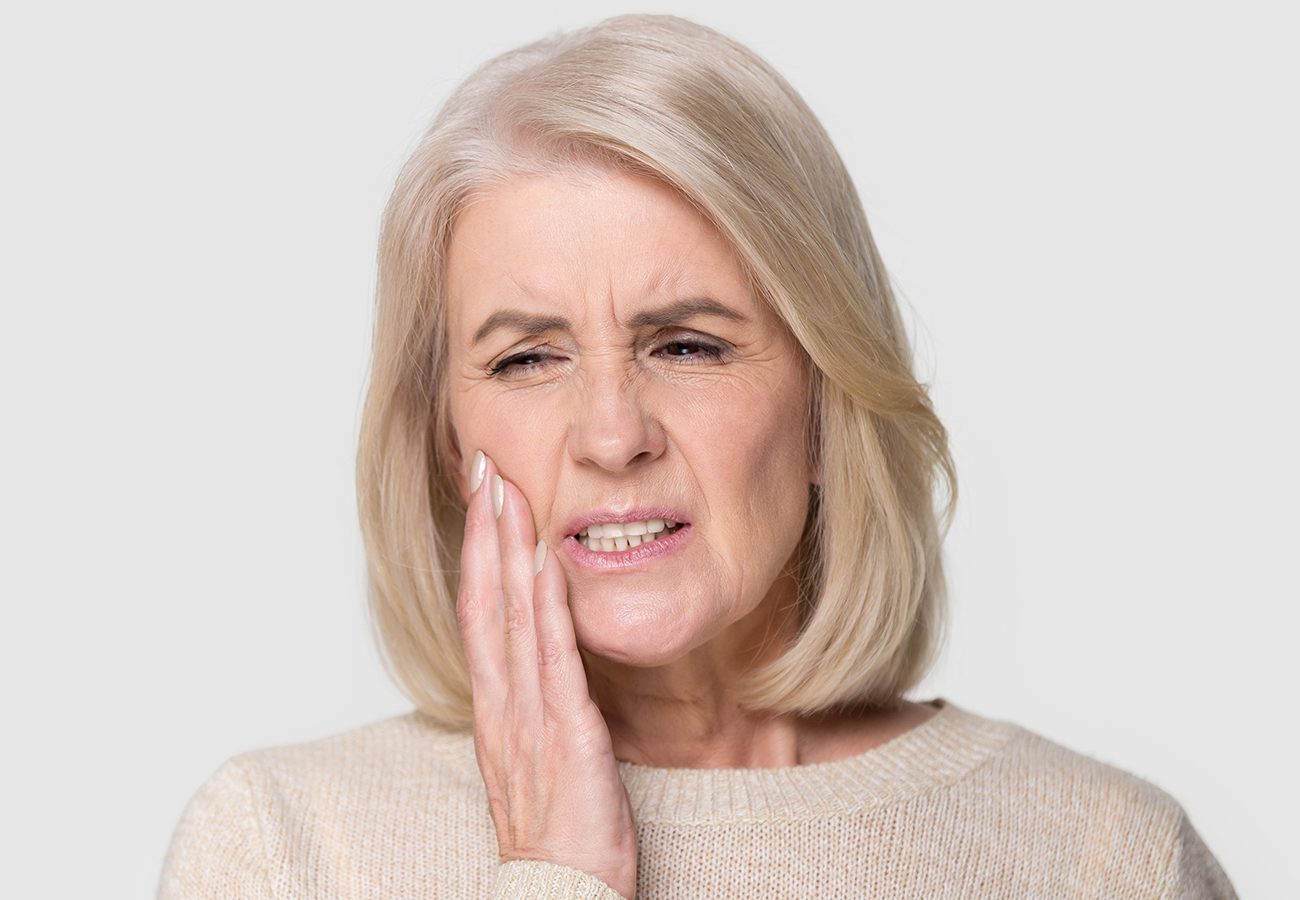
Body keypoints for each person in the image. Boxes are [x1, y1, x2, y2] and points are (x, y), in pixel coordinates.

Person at [157, 13, 1235, 899]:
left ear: (824, 400)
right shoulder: (284, 851)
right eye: (529, 359)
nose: (613, 435)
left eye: (686, 345)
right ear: (447, 437)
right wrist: (552, 875)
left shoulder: (1103, 859)